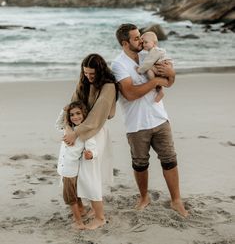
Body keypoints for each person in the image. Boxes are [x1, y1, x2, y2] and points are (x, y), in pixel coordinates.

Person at [111, 23, 188, 217]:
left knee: (170, 160)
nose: (141, 40)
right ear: (125, 42)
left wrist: (170, 74)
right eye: (136, 38)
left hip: (160, 118)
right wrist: (155, 81)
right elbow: (129, 93)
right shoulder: (119, 64)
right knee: (140, 163)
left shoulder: (148, 54)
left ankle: (176, 200)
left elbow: (169, 80)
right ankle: (144, 197)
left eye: (141, 37)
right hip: (136, 124)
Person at [63, 53, 118, 229]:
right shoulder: (84, 82)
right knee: (73, 170)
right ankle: (82, 207)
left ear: (100, 71)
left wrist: (75, 132)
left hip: (95, 132)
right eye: (85, 73)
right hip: (77, 131)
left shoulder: (108, 86)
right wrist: (68, 129)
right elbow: (71, 105)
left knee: (90, 174)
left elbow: (97, 116)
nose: (88, 76)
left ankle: (100, 217)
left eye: (92, 74)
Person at [55, 101, 97, 229]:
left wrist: (91, 154)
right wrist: (64, 110)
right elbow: (58, 123)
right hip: (63, 167)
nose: (75, 117)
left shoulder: (85, 134)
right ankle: (82, 210)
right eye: (72, 114)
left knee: (70, 198)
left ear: (84, 114)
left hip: (71, 171)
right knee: (75, 194)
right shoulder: (68, 129)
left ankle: (79, 222)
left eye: (78, 113)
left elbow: (93, 148)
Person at [136, 31, 172, 103]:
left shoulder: (155, 51)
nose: (143, 44)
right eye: (143, 42)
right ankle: (159, 89)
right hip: (163, 68)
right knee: (150, 70)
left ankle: (156, 87)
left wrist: (139, 70)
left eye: (146, 42)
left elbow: (148, 63)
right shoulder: (153, 51)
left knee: (148, 69)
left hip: (163, 68)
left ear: (154, 43)